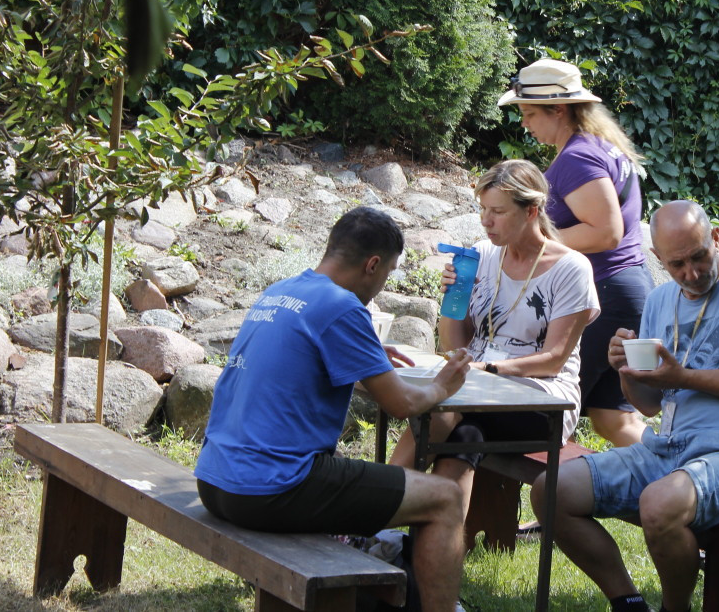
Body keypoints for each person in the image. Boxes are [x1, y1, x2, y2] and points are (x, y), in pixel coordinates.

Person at [194, 206, 472, 612]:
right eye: (388, 272)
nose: (382, 283)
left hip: (215, 480)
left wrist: (366, 358)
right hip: (273, 488)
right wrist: (443, 384)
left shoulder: (282, 291)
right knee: (445, 497)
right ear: (372, 265)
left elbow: (296, 362)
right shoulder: (342, 306)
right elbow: (403, 404)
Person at [535, 200, 719, 612]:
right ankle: (628, 602)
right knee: (551, 491)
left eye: (699, 256)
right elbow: (651, 406)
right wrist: (626, 372)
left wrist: (683, 377)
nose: (691, 272)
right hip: (669, 450)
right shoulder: (659, 301)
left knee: (659, 504)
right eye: (677, 264)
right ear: (657, 258)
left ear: (716, 238)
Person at [390, 159, 600, 519]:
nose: (486, 221)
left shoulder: (570, 268)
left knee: (441, 405)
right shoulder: (483, 255)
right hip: (476, 390)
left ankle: (373, 513)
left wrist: (487, 370)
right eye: (483, 210)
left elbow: (554, 359)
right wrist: (453, 300)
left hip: (544, 399)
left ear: (531, 211)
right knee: (464, 434)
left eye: (498, 212)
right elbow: (454, 347)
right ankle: (432, 538)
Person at [499, 58, 652, 448]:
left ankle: (552, 493)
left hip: (606, 295)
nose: (524, 123)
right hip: (628, 291)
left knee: (538, 411)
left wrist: (536, 243)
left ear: (559, 110)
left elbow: (606, 232)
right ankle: (682, 476)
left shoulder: (577, 158)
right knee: (612, 417)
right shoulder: (601, 147)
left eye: (530, 113)